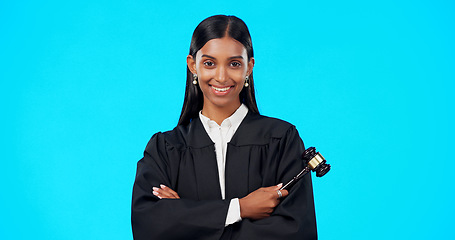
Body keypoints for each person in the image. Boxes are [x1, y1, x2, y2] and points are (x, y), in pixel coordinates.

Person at [131, 15, 317, 240]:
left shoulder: (281, 139)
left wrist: (186, 219)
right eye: (209, 63)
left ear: (249, 67)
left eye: (234, 64)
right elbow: (149, 226)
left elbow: (295, 232)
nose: (221, 76)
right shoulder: (165, 148)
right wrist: (239, 208)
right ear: (193, 66)